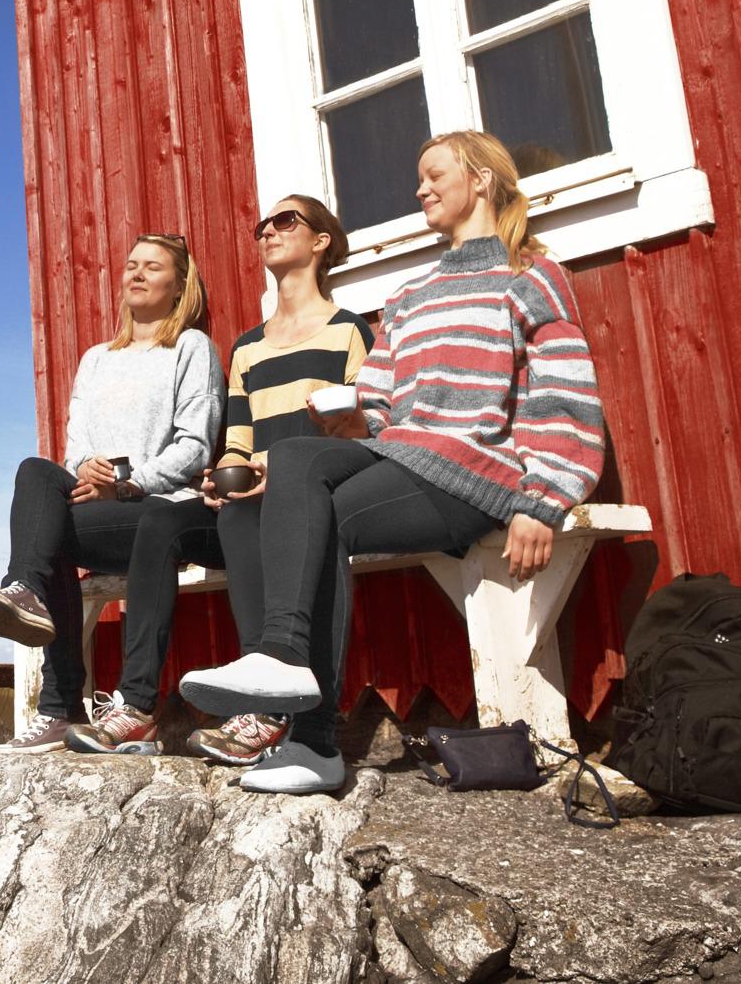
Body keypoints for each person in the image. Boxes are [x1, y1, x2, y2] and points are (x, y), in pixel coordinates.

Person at [180, 131, 609, 796]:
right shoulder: (411, 295)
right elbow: (380, 405)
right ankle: (309, 724)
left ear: (482, 180)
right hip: (402, 458)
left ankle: (303, 711)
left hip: (476, 474)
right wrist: (353, 421)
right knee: (292, 461)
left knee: (307, 484)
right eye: (419, 177)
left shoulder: (531, 275)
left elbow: (565, 394)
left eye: (435, 174)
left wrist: (542, 498)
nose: (421, 188)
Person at [0, 234, 220, 753]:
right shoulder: (97, 358)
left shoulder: (190, 347)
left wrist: (128, 481)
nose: (137, 274)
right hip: (97, 513)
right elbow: (76, 447)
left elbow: (196, 445)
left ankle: (60, 707)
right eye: (131, 265)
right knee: (36, 473)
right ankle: (24, 589)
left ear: (179, 285)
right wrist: (86, 470)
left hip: (158, 514)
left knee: (45, 532)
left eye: (153, 267)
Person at [179, 195, 371, 769]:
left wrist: (282, 472)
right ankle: (261, 698)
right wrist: (223, 476)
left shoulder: (347, 333)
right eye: (263, 223)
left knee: (295, 515)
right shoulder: (246, 348)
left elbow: (361, 429)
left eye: (285, 220)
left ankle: (275, 715)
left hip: (320, 486)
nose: (268, 230)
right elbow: (239, 437)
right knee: (236, 513)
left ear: (320, 241)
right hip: (255, 496)